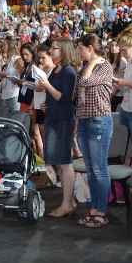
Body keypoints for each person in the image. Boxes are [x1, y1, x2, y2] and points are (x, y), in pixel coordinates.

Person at [74, 34, 114, 228]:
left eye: (81, 48)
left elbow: (86, 82)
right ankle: (94, 207)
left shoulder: (105, 66)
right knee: (91, 169)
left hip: (99, 120)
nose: (78, 52)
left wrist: (92, 62)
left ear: (90, 48)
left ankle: (102, 210)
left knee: (99, 169)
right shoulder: (85, 67)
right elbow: (78, 88)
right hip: (84, 120)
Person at [39, 38, 79, 217]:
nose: (52, 51)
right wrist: (45, 104)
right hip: (53, 116)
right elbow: (54, 95)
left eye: (55, 48)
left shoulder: (69, 71)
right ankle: (69, 200)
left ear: (63, 51)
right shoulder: (56, 70)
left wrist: (47, 86)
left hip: (62, 119)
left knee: (64, 162)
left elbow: (65, 98)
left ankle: (67, 204)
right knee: (61, 162)